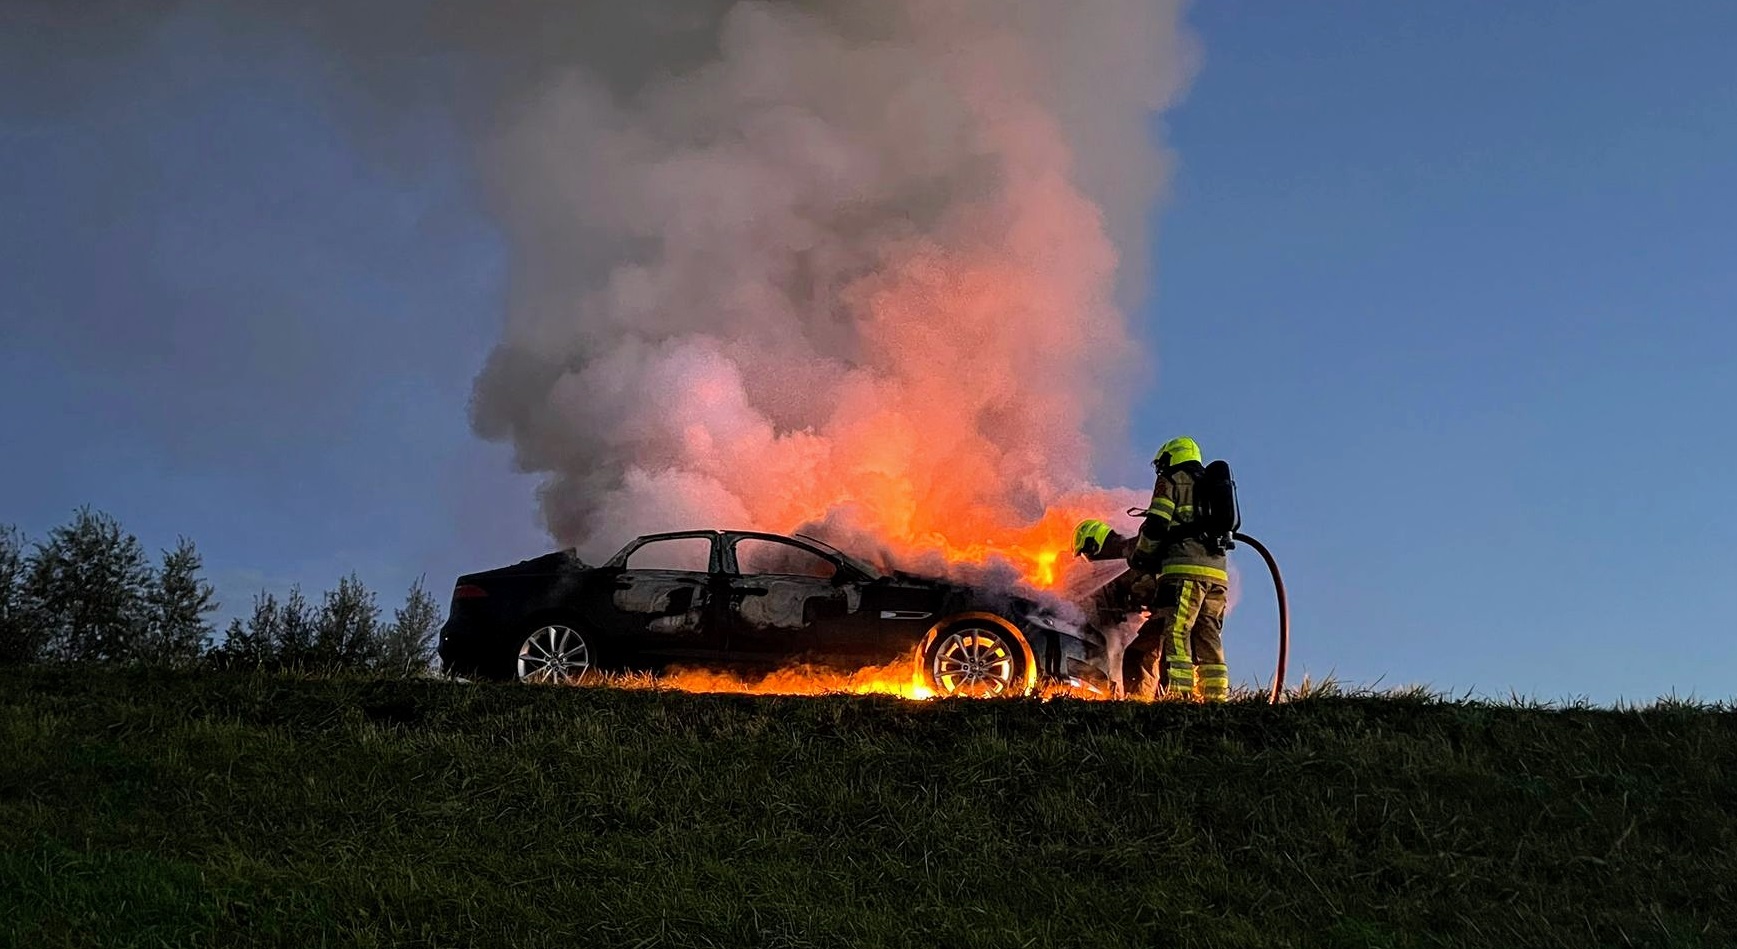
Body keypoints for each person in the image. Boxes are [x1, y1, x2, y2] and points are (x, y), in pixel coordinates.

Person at [1125, 436, 1231, 702]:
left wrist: (1142, 557)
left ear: (1170, 458)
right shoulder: (1210, 483)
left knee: (1177, 630)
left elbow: (1156, 525)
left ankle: (1179, 694)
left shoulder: (1172, 480)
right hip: (1218, 574)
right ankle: (1215, 697)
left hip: (1185, 570)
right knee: (1208, 634)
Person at [1071, 518, 1156, 697]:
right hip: (1175, 606)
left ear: (1093, 545)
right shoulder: (1123, 557)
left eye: (1086, 555)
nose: (1089, 562)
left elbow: (1145, 585)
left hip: (1172, 607)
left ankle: (1138, 703)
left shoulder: (1129, 553)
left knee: (1138, 655)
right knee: (1140, 654)